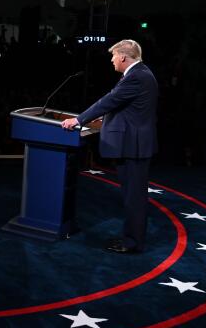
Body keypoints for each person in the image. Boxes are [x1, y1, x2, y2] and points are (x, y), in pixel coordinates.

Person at [61, 39, 158, 253]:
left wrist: (79, 120)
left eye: (113, 56)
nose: (112, 61)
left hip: (134, 146)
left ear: (123, 56)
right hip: (134, 144)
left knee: (134, 197)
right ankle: (131, 238)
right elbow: (126, 108)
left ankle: (132, 242)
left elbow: (109, 100)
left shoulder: (137, 77)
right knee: (133, 196)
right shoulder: (140, 74)